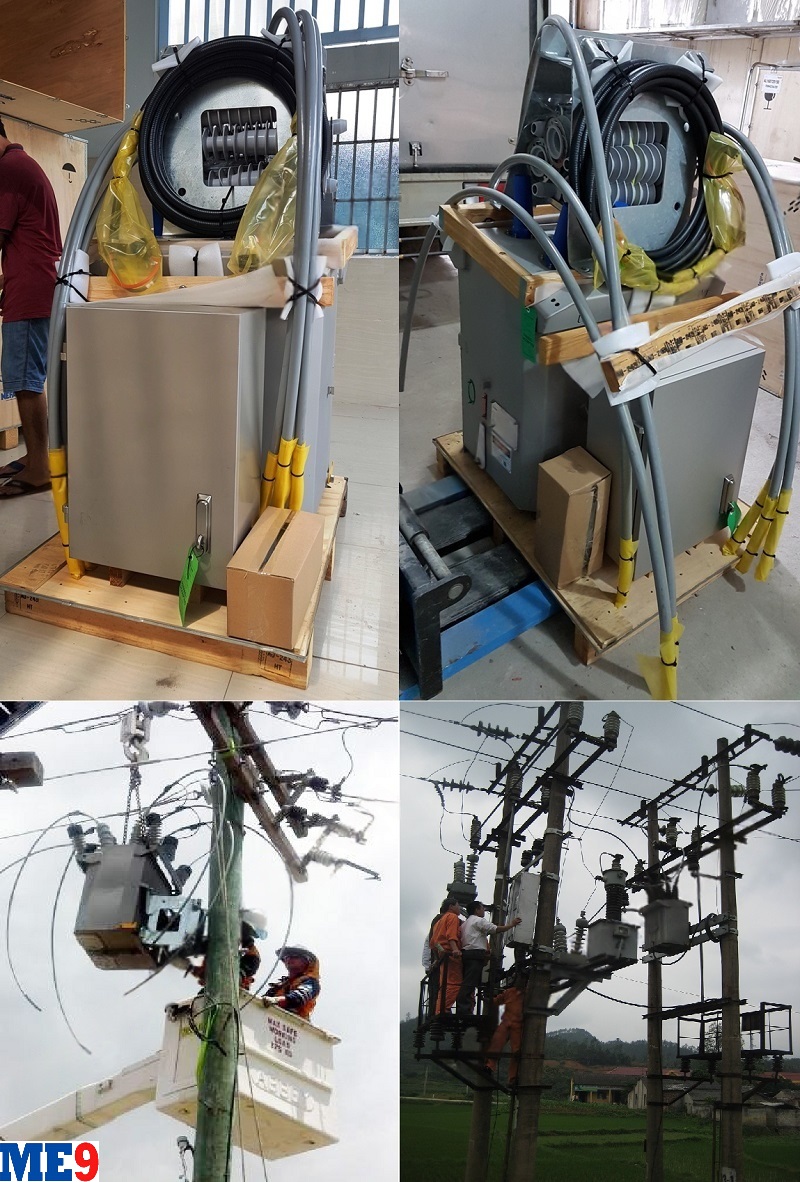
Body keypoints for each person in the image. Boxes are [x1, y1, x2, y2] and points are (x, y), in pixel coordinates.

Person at [0, 119, 62, 498]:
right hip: (34, 282)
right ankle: (36, 457)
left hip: (30, 287)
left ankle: (39, 468)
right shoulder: (21, 164)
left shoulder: (9, 168)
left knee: (25, 379)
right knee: (29, 375)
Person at [455, 901, 521, 1019]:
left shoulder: (465, 924)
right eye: (482, 908)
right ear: (476, 910)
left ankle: (464, 1008)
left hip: (467, 953)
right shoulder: (478, 920)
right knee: (470, 983)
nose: (484, 911)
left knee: (468, 981)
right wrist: (511, 925)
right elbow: (495, 929)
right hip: (475, 954)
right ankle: (464, 1010)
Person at [485, 973, 527, 1086]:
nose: (520, 981)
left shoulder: (528, 995)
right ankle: (489, 1066)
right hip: (506, 1023)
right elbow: (497, 1000)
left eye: (523, 979)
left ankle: (513, 1078)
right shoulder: (510, 992)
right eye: (519, 979)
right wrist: (488, 999)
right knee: (496, 1043)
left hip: (518, 1026)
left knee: (516, 1052)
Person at [264, 945, 321, 1020]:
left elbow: (298, 998)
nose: (289, 959)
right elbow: (263, 999)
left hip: (293, 1022)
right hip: (270, 1017)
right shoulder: (281, 985)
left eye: (295, 956)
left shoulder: (311, 982)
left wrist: (276, 1000)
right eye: (286, 957)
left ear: (307, 962)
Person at [429, 896, 463, 1014]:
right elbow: (451, 935)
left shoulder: (439, 922)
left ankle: (439, 1009)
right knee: (455, 983)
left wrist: (441, 951)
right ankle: (444, 1009)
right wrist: (455, 950)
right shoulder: (452, 917)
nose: (459, 908)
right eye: (458, 905)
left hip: (443, 957)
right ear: (451, 906)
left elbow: (433, 943)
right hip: (451, 956)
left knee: (444, 985)